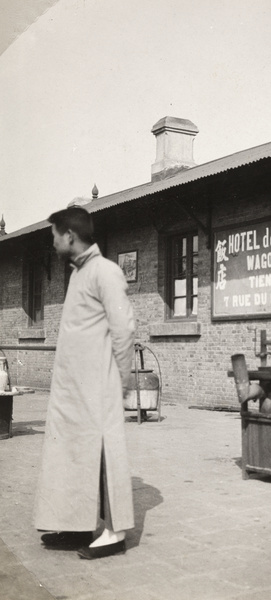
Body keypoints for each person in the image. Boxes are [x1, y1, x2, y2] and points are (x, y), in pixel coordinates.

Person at [34, 207, 136, 560]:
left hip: (98, 389)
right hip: (72, 392)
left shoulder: (106, 272)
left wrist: (118, 384)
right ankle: (78, 526)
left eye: (54, 235)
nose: (53, 242)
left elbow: (123, 333)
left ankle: (114, 532)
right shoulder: (79, 273)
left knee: (105, 453)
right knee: (72, 456)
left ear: (70, 236)